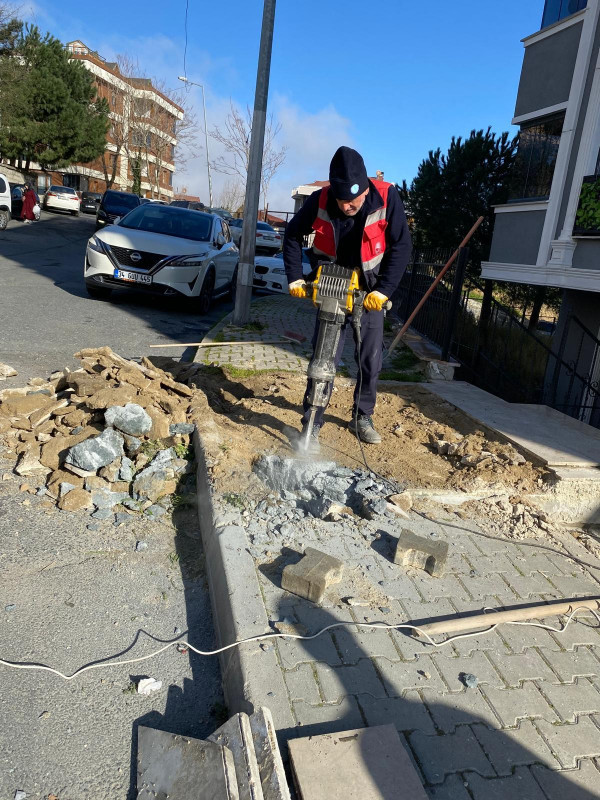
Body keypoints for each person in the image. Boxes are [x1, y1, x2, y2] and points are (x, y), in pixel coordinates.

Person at [283, 146, 412, 449]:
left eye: (353, 200)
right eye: (342, 200)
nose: (347, 206)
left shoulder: (387, 197)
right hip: (332, 286)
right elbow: (292, 235)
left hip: (369, 292)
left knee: (369, 360)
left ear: (366, 188)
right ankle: (312, 421)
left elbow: (401, 246)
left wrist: (383, 290)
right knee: (322, 359)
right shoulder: (320, 199)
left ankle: (362, 416)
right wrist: (295, 277)